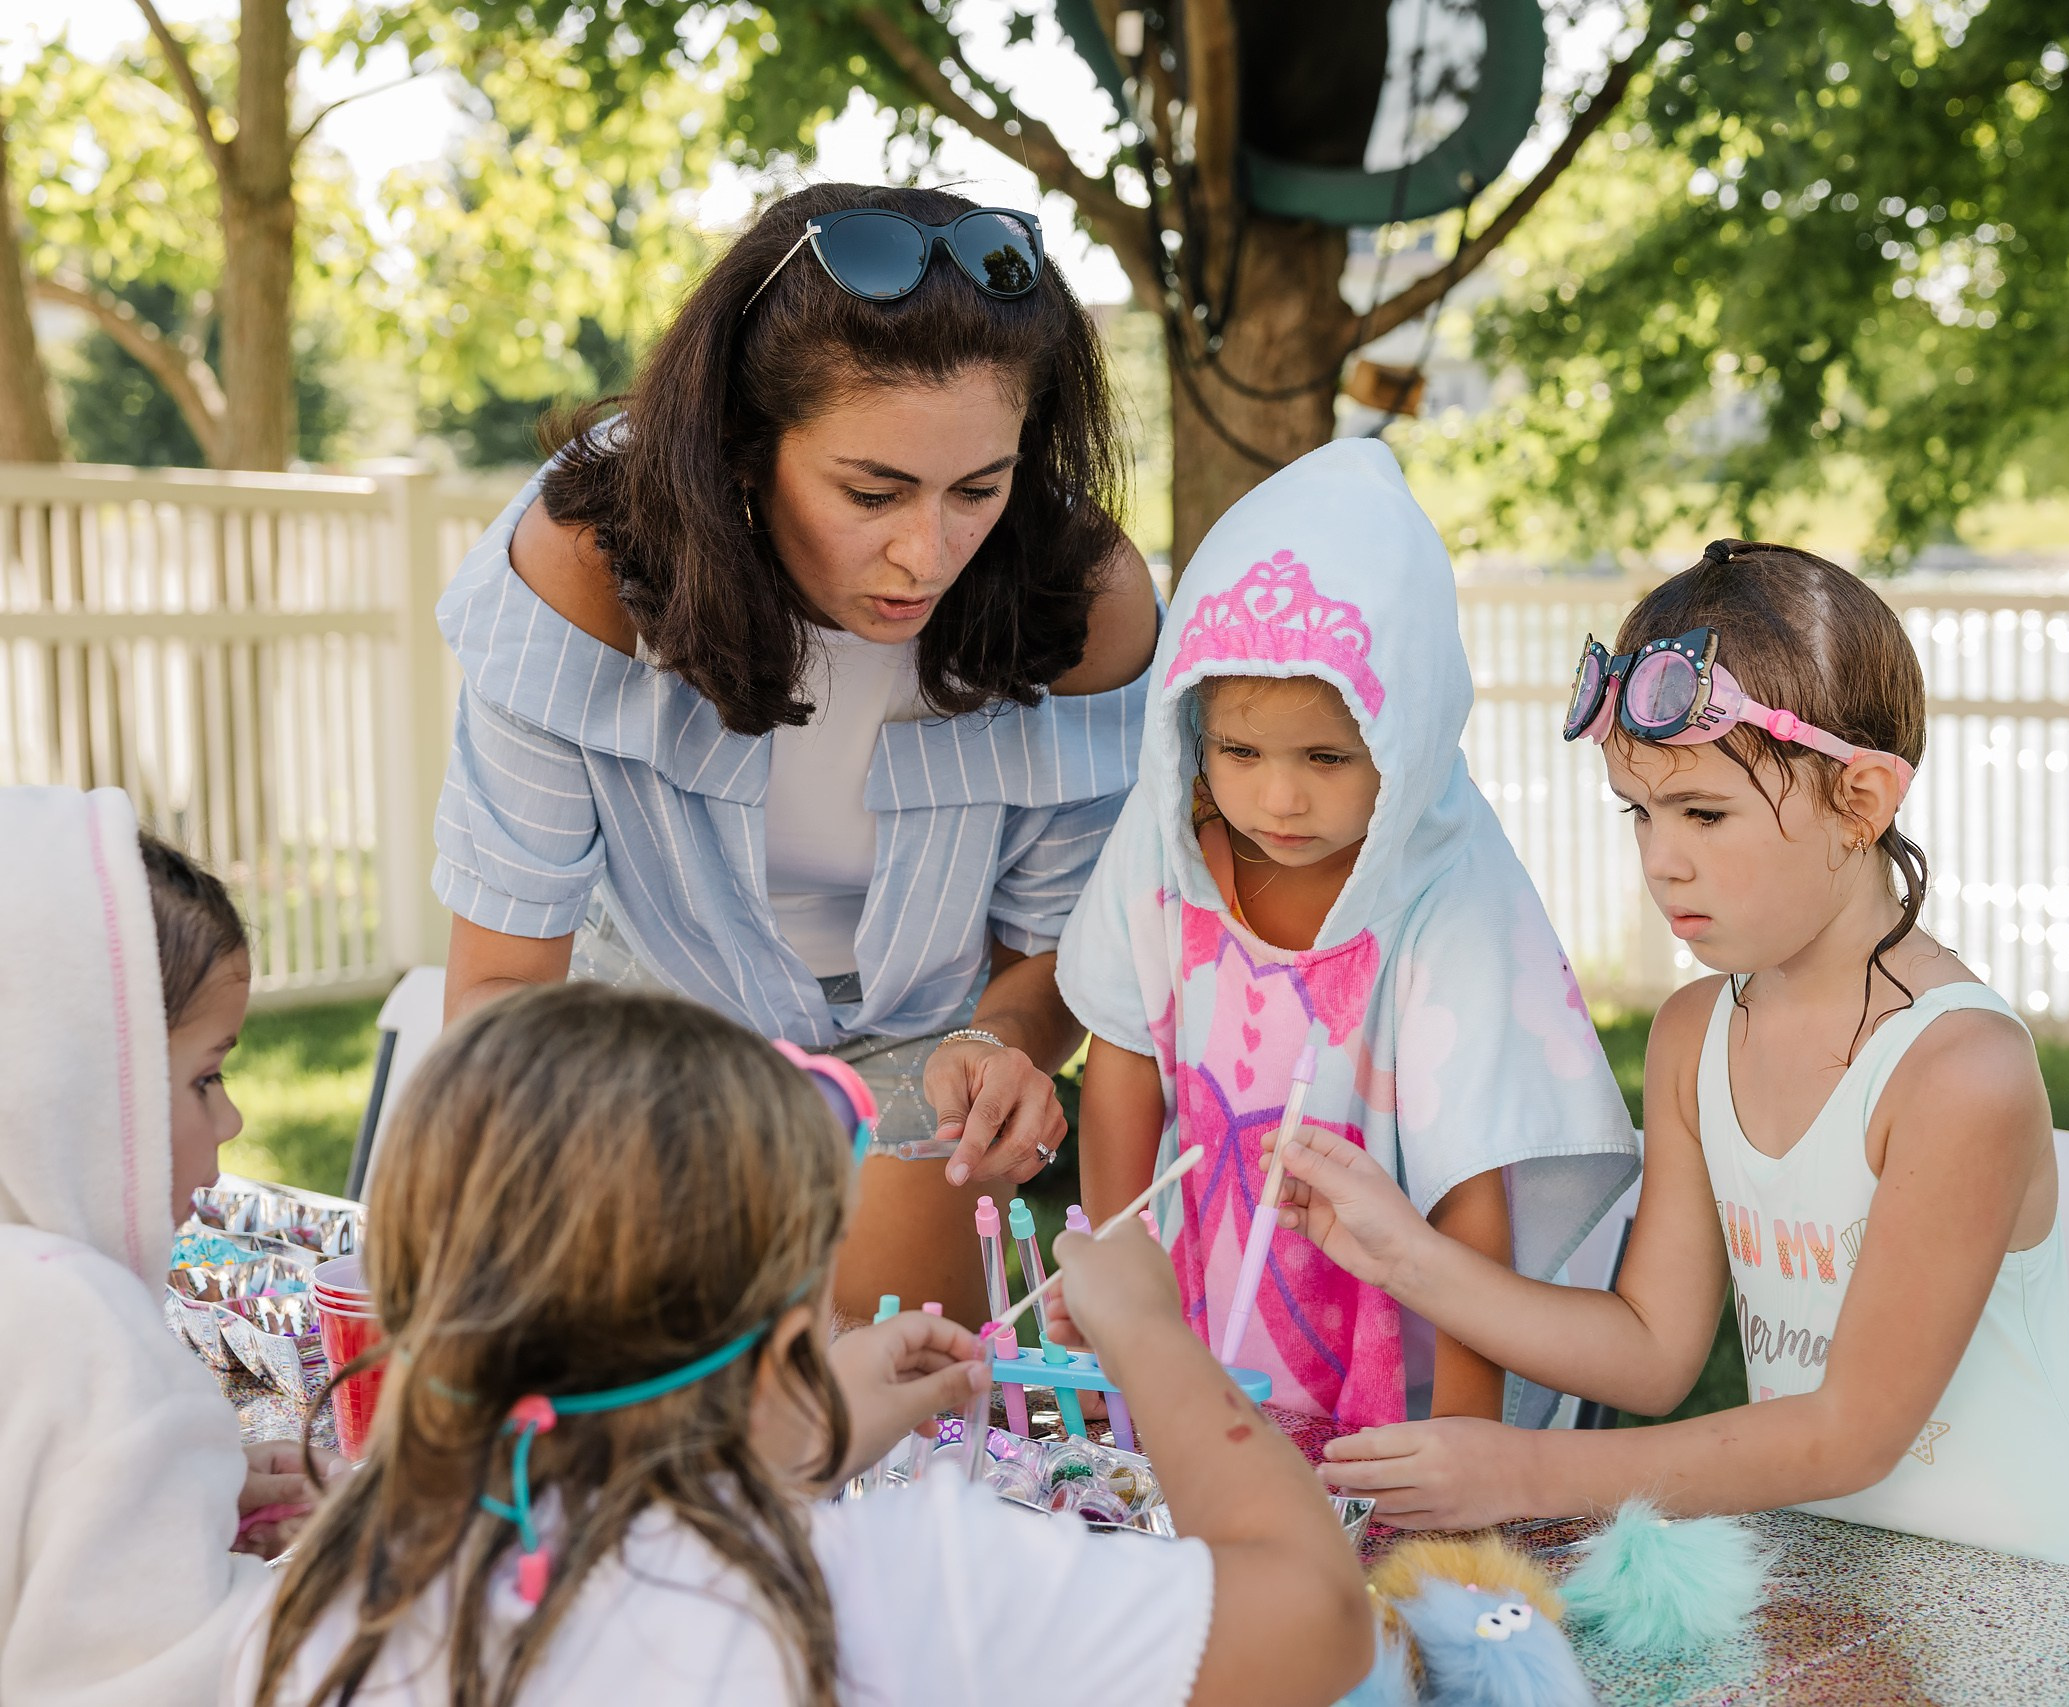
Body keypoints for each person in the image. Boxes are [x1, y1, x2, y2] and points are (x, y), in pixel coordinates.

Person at [1271, 541, 2069, 1582]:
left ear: (1864, 801)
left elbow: (1850, 1434)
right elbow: (1651, 1351)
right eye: (1640, 813)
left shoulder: (1957, 1069)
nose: (1663, 859)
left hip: (2046, 1596)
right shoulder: (1696, 1032)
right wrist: (1401, 1256)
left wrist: (1528, 1472)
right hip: (1847, 1588)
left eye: (1704, 813)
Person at [431, 183, 1158, 1325]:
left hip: (930, 1046)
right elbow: (501, 990)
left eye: (979, 488)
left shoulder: (1083, 597)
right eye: (872, 491)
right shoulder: (586, 563)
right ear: (740, 446)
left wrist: (997, 1045)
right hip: (634, 1038)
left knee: (893, 1422)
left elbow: (1051, 950)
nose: (928, 553)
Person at [230, 983, 1371, 1707]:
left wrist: (790, 1441)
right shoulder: (880, 1589)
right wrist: (1156, 1339)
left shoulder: (340, 1590)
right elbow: (1317, 1621)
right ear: (777, 1337)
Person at [1061, 441, 1639, 1429]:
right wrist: (1119, 1279)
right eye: (1238, 750)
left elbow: (1474, 1176)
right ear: (1189, 729)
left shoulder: (1451, 892)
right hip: (1213, 1302)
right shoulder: (1166, 839)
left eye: (1328, 755)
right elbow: (1122, 1051)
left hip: (1415, 1346)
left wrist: (1465, 1446)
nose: (1277, 798)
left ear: (1404, 740)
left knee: (1379, 1537)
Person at [0, 787, 327, 1706]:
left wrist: (185, 1502)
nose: (230, 1116)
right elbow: (201, 1677)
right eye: (206, 1075)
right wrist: (371, 1556)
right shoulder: (82, 1329)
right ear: (74, 1084)